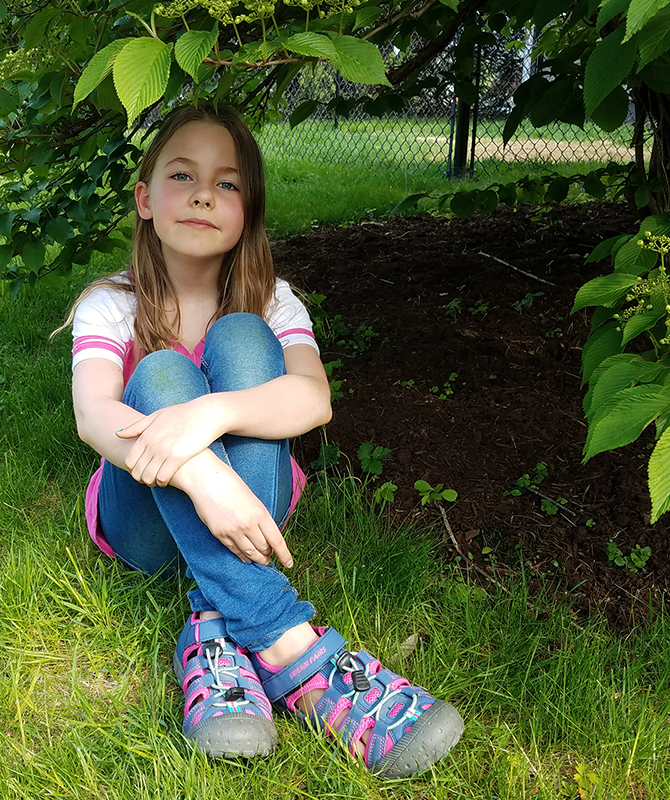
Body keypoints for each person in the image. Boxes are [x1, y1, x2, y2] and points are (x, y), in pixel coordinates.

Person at [57, 103, 463, 778]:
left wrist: (209, 415)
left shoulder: (275, 303)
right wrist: (202, 475)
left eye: (228, 183)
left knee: (242, 337)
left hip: (254, 502)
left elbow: (314, 399)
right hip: (146, 522)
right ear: (145, 198)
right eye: (182, 174)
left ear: (249, 209)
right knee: (159, 372)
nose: (202, 194)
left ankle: (216, 631)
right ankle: (290, 648)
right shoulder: (111, 303)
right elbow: (94, 416)